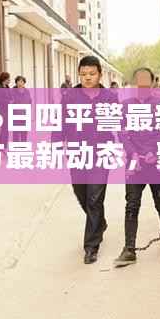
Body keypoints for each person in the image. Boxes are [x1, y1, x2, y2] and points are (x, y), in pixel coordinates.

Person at [114, 67, 160, 268]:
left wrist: (154, 153)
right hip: (135, 163)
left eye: (146, 81)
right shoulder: (125, 106)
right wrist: (133, 153)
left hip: (155, 162)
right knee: (132, 204)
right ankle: (129, 249)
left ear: (153, 83)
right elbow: (122, 133)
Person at [60, 55, 117, 264]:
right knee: (81, 193)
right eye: (83, 74)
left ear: (100, 74)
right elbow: (61, 122)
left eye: (92, 74)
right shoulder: (69, 96)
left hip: (102, 152)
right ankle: (99, 222)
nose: (87, 77)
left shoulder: (109, 97)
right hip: (77, 152)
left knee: (95, 198)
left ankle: (91, 246)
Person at [0, 72, 12, 150]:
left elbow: (10, 96)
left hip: (7, 109)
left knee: (6, 128)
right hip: (1, 109)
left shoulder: (7, 86)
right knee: (4, 128)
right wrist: (8, 101)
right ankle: (2, 146)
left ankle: (5, 146)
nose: (9, 81)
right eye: (8, 79)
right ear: (4, 79)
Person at [12, 76, 32, 143]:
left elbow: (30, 101)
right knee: (16, 132)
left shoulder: (27, 91)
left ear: (24, 83)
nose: (20, 83)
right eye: (18, 81)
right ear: (16, 82)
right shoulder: (12, 91)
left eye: (21, 81)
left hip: (24, 114)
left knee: (24, 131)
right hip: (15, 114)